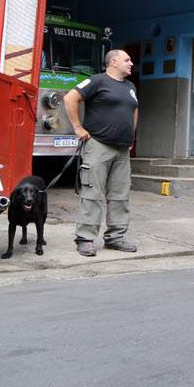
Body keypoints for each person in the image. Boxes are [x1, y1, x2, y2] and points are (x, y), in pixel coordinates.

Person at [64, 48, 139, 257]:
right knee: (93, 194)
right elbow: (70, 98)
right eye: (127, 59)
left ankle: (115, 238)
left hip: (122, 149)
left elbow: (134, 110)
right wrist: (78, 129)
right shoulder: (97, 81)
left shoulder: (130, 87)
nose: (131, 63)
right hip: (98, 145)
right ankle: (85, 238)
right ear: (113, 62)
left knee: (120, 196)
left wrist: (131, 136)